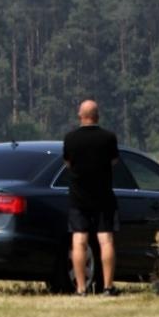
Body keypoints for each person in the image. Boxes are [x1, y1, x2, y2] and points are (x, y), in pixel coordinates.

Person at [62, 99, 120, 296]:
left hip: (79, 198)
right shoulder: (108, 137)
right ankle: (108, 286)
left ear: (81, 115)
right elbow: (114, 161)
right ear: (97, 116)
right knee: (106, 240)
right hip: (103, 196)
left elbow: (68, 163)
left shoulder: (70, 139)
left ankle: (80, 288)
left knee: (79, 241)